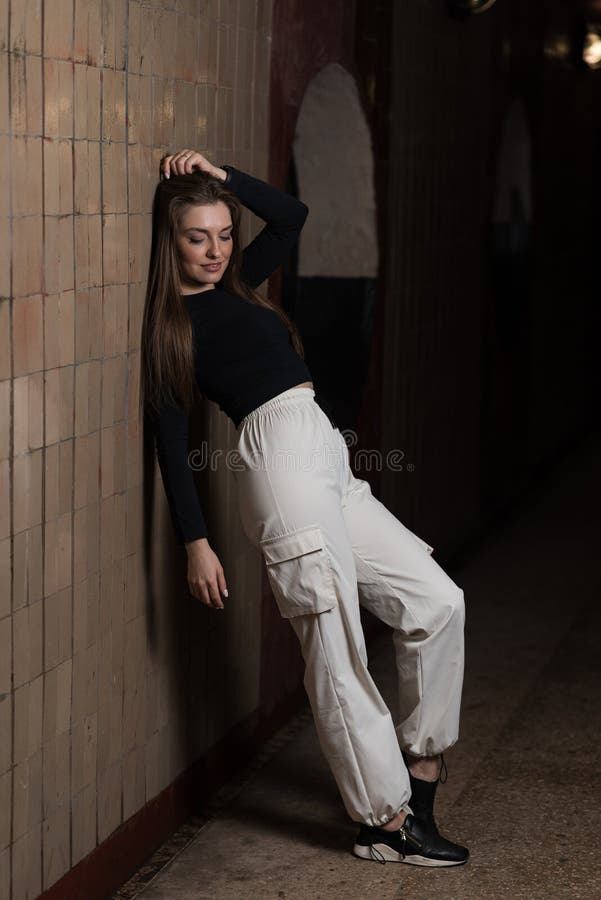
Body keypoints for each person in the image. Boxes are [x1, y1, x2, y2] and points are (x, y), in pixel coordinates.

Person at [140, 149, 469, 868]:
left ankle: (420, 771)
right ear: (172, 241)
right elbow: (170, 444)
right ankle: (383, 823)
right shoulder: (173, 329)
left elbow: (292, 217)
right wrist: (196, 541)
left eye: (224, 234)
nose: (214, 250)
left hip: (321, 450)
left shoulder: (238, 285)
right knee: (334, 640)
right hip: (277, 461)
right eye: (197, 237)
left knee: (435, 600)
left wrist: (220, 175)